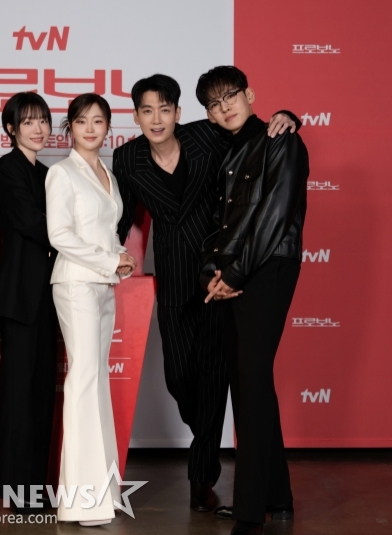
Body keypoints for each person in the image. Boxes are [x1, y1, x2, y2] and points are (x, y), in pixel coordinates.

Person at [114, 74, 299, 512]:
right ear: (136, 116)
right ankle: (206, 437)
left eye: (165, 109)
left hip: (220, 272)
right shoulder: (127, 158)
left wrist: (290, 117)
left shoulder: (206, 135)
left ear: (179, 113)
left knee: (216, 374)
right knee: (179, 376)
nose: (156, 119)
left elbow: (254, 132)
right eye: (147, 110)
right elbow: (120, 216)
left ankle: (202, 475)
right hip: (174, 274)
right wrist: (110, 252)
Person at [197, 66, 308, 535]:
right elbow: (223, 223)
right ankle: (277, 498)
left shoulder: (281, 140)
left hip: (267, 268)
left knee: (253, 381)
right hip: (233, 273)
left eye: (231, 96)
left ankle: (249, 510)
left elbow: (276, 215)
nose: (225, 107)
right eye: (214, 103)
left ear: (250, 94)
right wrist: (214, 272)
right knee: (249, 383)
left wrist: (236, 274)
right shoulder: (228, 150)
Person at [45, 93, 136, 526]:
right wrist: (108, 260)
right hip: (75, 284)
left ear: (108, 128)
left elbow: (106, 230)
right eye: (81, 121)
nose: (90, 129)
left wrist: (120, 256)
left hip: (102, 284)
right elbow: (59, 234)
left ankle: (103, 492)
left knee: (96, 382)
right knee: (82, 381)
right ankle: (81, 502)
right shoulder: (61, 173)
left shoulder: (108, 174)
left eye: (98, 121)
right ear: (70, 127)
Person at [0, 92, 58, 512]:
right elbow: (31, 222)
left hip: (51, 294)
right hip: (20, 295)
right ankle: (13, 488)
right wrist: (73, 236)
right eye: (28, 121)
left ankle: (35, 485)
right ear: (11, 129)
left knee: (41, 391)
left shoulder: (50, 173)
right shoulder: (8, 167)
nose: (38, 129)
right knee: (18, 394)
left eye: (43, 120)